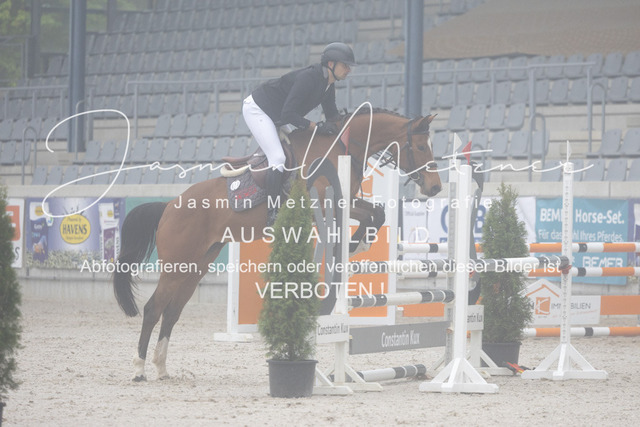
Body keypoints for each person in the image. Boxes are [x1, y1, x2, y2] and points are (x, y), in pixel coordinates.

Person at [242, 42, 356, 226]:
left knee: (296, 153)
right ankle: (273, 212)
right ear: (331, 64)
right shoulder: (308, 78)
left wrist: (351, 123)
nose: (348, 70)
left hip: (277, 116)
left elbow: (332, 116)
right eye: (345, 65)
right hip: (258, 110)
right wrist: (315, 126)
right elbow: (288, 114)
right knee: (278, 157)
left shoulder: (328, 85)